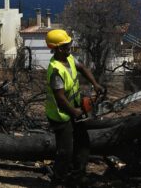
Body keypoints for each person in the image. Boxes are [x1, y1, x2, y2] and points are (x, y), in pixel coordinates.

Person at [44, 29, 105, 187]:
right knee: (65, 151)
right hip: (60, 115)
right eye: (66, 46)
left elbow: (82, 68)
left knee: (83, 143)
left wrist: (95, 84)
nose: (69, 48)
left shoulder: (69, 58)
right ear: (57, 48)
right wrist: (75, 111)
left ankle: (78, 176)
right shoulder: (56, 70)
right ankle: (58, 181)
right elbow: (60, 97)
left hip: (73, 107)